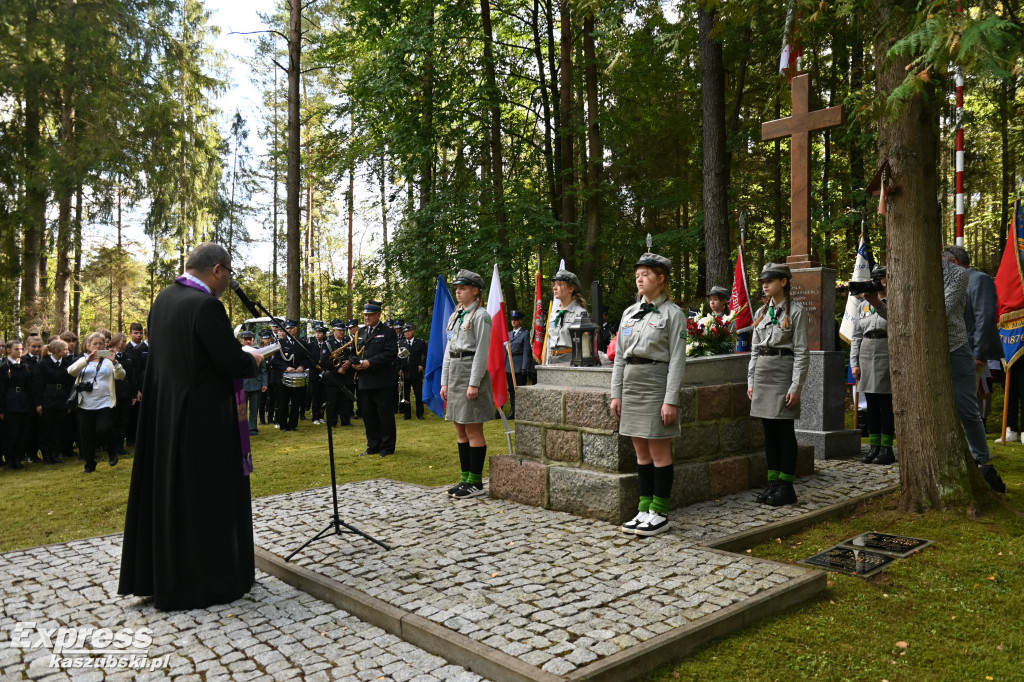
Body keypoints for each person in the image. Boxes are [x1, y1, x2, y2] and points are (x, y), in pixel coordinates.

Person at [119, 242, 264, 611]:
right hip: (202, 422)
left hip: (167, 416)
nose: (227, 281)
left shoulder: (164, 300)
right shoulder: (205, 305)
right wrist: (254, 359)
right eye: (227, 274)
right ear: (217, 270)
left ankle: (161, 574)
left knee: (173, 495)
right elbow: (229, 361)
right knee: (204, 498)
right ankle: (206, 580)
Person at [610, 253, 687, 535]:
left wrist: (671, 400)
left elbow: (678, 360)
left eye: (645, 274)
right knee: (640, 452)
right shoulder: (629, 313)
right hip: (631, 383)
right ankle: (644, 509)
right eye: (637, 274)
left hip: (656, 383)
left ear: (661, 279)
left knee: (658, 449)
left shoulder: (673, 314)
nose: (639, 278)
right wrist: (615, 393)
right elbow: (619, 356)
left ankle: (660, 512)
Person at [747, 263, 810, 507]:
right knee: (768, 431)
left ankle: (787, 485)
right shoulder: (761, 313)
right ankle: (773, 482)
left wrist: (796, 387)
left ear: (783, 282)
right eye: (763, 281)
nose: (765, 284)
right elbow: (754, 350)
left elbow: (802, 352)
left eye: (770, 280)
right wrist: (751, 380)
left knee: (784, 430)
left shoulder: (796, 312)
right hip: (763, 372)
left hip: (783, 372)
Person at [440, 270, 495, 499]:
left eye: (463, 288)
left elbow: (482, 352)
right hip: (455, 370)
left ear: (475, 290)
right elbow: (448, 349)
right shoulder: (457, 315)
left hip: (470, 369)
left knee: (472, 427)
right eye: (457, 288)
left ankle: (476, 482)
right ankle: (465, 478)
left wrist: (474, 383)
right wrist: (444, 381)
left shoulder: (481, 316)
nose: (458, 292)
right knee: (460, 428)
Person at [943, 246, 1003, 423]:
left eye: (944, 265)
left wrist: (979, 354)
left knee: (969, 402)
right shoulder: (953, 284)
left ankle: (974, 446)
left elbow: (984, 317)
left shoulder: (978, 280)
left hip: (970, 351)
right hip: (955, 349)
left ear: (954, 262)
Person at [851, 266, 895, 465]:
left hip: (886, 351)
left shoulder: (894, 301)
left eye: (882, 278)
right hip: (867, 353)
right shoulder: (862, 305)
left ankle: (887, 448)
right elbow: (856, 335)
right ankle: (874, 446)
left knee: (885, 404)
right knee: (871, 403)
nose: (879, 282)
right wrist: (854, 362)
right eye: (875, 279)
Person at [68, 332, 127, 472]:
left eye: (101, 344)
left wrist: (115, 362)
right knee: (86, 434)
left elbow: (121, 375)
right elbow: (71, 371)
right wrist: (86, 361)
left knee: (103, 429)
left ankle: (111, 451)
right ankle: (89, 464)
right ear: (88, 345)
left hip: (105, 402)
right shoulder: (82, 359)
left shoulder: (108, 360)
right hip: (85, 403)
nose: (98, 346)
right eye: (95, 344)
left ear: (106, 345)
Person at [354, 301, 398, 457]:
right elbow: (356, 353)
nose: (366, 318)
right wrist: (352, 363)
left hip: (382, 381)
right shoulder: (361, 333)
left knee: (384, 415)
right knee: (368, 415)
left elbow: (390, 353)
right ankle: (373, 445)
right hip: (365, 380)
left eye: (370, 315)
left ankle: (387, 447)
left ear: (378, 315)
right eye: (365, 315)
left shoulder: (388, 332)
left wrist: (370, 362)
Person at [31, 338, 73, 465]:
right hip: (47, 398)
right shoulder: (43, 364)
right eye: (65, 349)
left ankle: (55, 453)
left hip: (61, 398)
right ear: (56, 350)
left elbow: (69, 383)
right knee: (46, 428)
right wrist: (38, 403)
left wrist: (69, 402)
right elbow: (38, 384)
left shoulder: (67, 363)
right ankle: (46, 455)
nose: (67, 351)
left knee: (57, 428)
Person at [1, 340, 33, 471]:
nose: (19, 351)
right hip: (10, 403)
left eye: (21, 349)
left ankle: (17, 459)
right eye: (16, 349)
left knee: (22, 433)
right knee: (10, 434)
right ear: (8, 350)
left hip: (24, 403)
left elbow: (29, 386)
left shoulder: (25, 365)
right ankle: (9, 460)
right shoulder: (4, 367)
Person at [271, 320, 307, 431]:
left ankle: (293, 425)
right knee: (283, 402)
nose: (289, 330)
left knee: (296, 402)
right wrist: (286, 367)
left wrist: (302, 366)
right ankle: (283, 425)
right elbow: (274, 360)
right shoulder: (280, 343)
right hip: (284, 377)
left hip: (298, 377)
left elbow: (307, 358)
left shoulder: (301, 343)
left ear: (296, 329)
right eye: (287, 328)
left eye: (291, 328)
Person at [545, 269, 587, 365]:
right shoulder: (554, 313)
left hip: (570, 361)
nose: (554, 288)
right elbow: (549, 340)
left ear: (571, 288)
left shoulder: (580, 313)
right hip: (552, 361)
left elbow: (585, 347)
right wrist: (547, 362)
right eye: (554, 284)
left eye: (559, 284)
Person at [240, 331, 268, 435]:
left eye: (249, 339)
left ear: (253, 340)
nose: (247, 341)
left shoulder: (258, 351)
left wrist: (265, 383)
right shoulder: (237, 351)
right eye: (245, 339)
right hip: (242, 383)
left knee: (254, 408)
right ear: (241, 340)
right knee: (242, 409)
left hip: (256, 383)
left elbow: (264, 369)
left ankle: (252, 429)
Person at [505, 310, 532, 419]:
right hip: (509, 365)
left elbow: (526, 351)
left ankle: (520, 411)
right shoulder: (508, 334)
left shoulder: (525, 334)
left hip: (519, 364)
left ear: (520, 321)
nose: (513, 322)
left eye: (516, 320)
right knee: (511, 389)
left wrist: (525, 367)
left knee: (519, 390)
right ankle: (513, 410)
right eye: (512, 320)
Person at [400, 324, 427, 420]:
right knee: (405, 394)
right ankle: (407, 414)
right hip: (405, 372)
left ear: (413, 331)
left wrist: (422, 365)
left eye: (409, 330)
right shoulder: (400, 343)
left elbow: (427, 355)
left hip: (416, 371)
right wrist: (399, 369)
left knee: (418, 394)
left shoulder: (420, 343)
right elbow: (397, 358)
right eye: (405, 331)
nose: (406, 332)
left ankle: (420, 414)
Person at [308, 324, 331, 425]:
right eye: (316, 332)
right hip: (314, 373)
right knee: (315, 396)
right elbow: (309, 357)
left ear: (324, 334)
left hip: (324, 373)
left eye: (320, 332)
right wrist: (316, 365)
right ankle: (315, 417)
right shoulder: (311, 344)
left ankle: (321, 415)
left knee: (324, 396)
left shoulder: (327, 344)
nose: (317, 334)